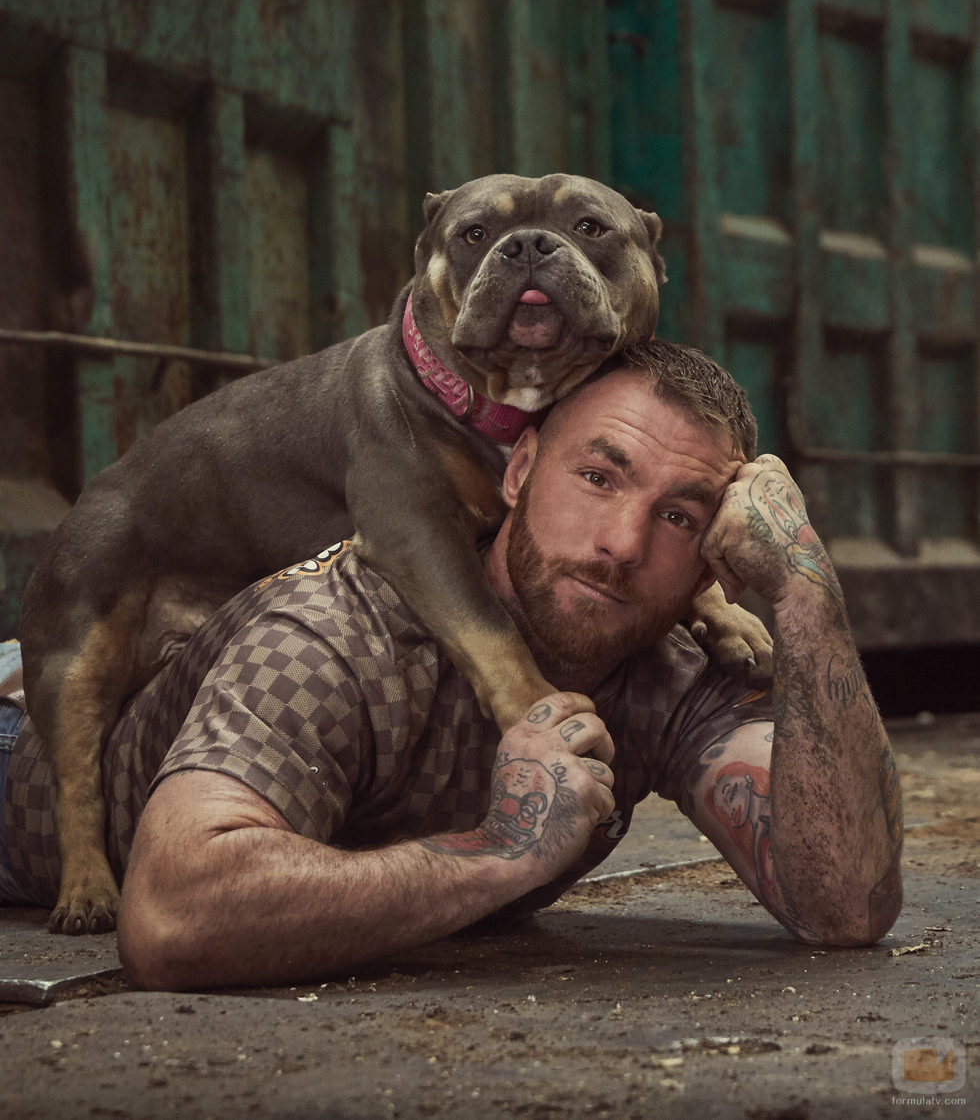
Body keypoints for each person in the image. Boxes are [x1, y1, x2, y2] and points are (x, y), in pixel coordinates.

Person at [0, 341, 903, 989]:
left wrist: (804, 594)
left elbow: (846, 906)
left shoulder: (661, 663)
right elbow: (171, 919)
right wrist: (500, 855)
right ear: (517, 471)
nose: (621, 544)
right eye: (598, 476)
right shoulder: (337, 632)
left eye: (679, 515)